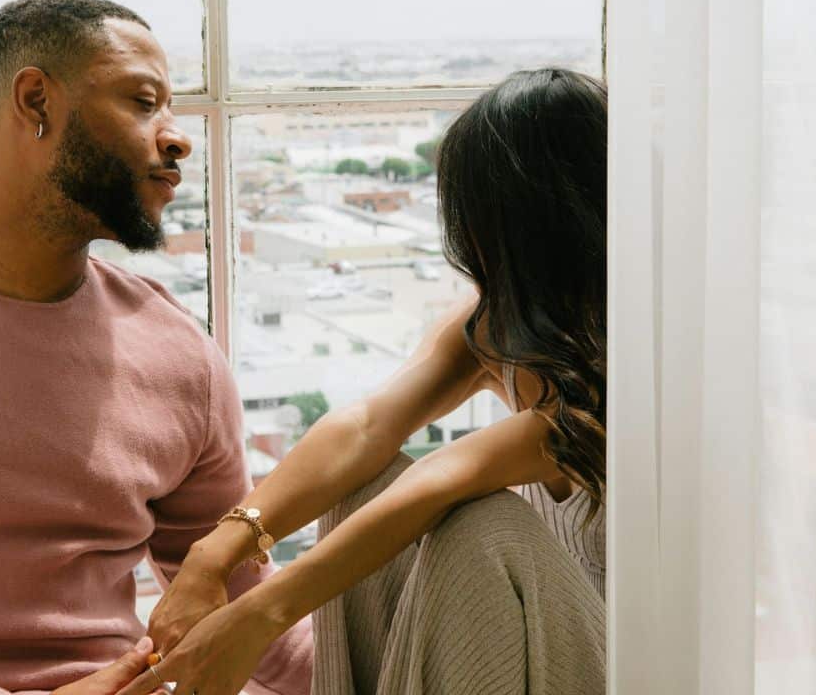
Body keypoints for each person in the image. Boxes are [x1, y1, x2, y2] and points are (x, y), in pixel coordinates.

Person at [0, 0, 312, 695]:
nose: (178, 138)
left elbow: (249, 618)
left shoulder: (177, 352)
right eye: (144, 101)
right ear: (37, 100)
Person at [122, 69, 608, 695]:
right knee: (364, 482)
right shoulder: (499, 328)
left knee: (487, 534)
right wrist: (212, 555)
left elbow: (445, 478)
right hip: (533, 654)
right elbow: (364, 428)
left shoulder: (640, 365)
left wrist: (259, 617)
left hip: (628, 669)